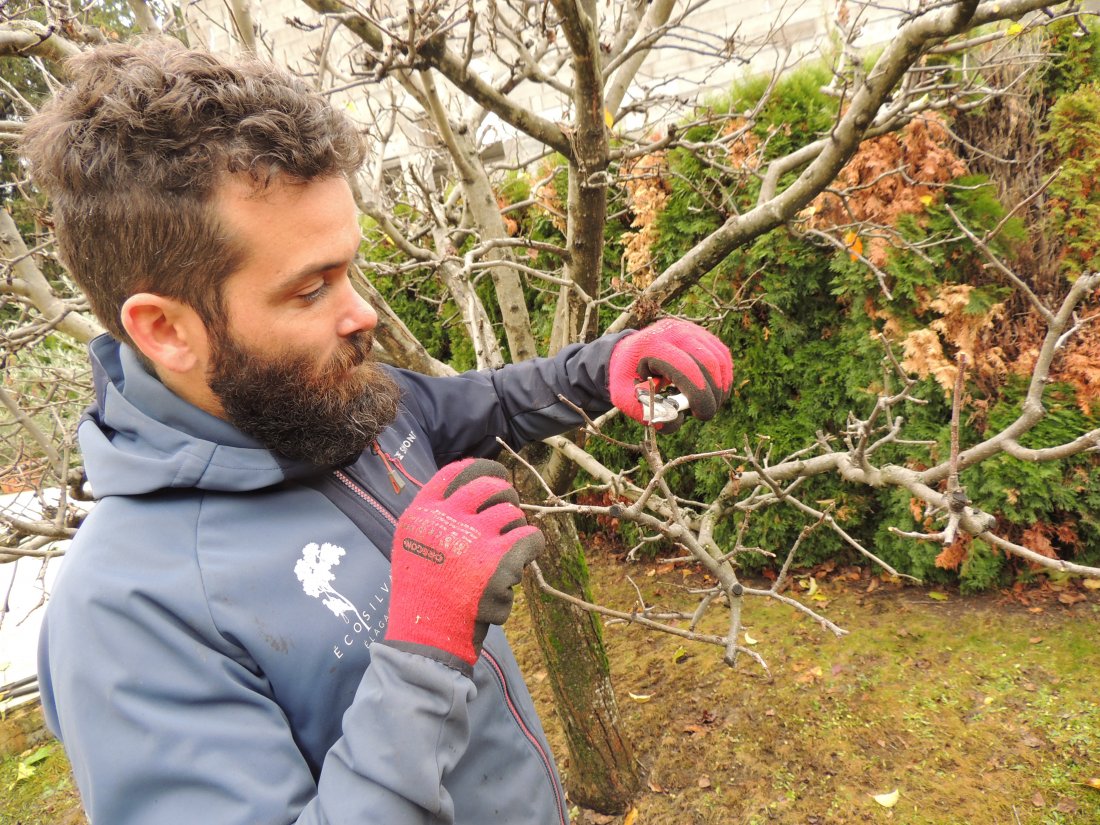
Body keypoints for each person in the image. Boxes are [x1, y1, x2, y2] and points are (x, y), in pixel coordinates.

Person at [21, 37, 734, 825]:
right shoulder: (125, 613)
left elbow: (480, 404)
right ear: (165, 329)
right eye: (309, 290)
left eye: (349, 269)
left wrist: (598, 370)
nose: (360, 312)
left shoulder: (324, 403)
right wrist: (424, 655)